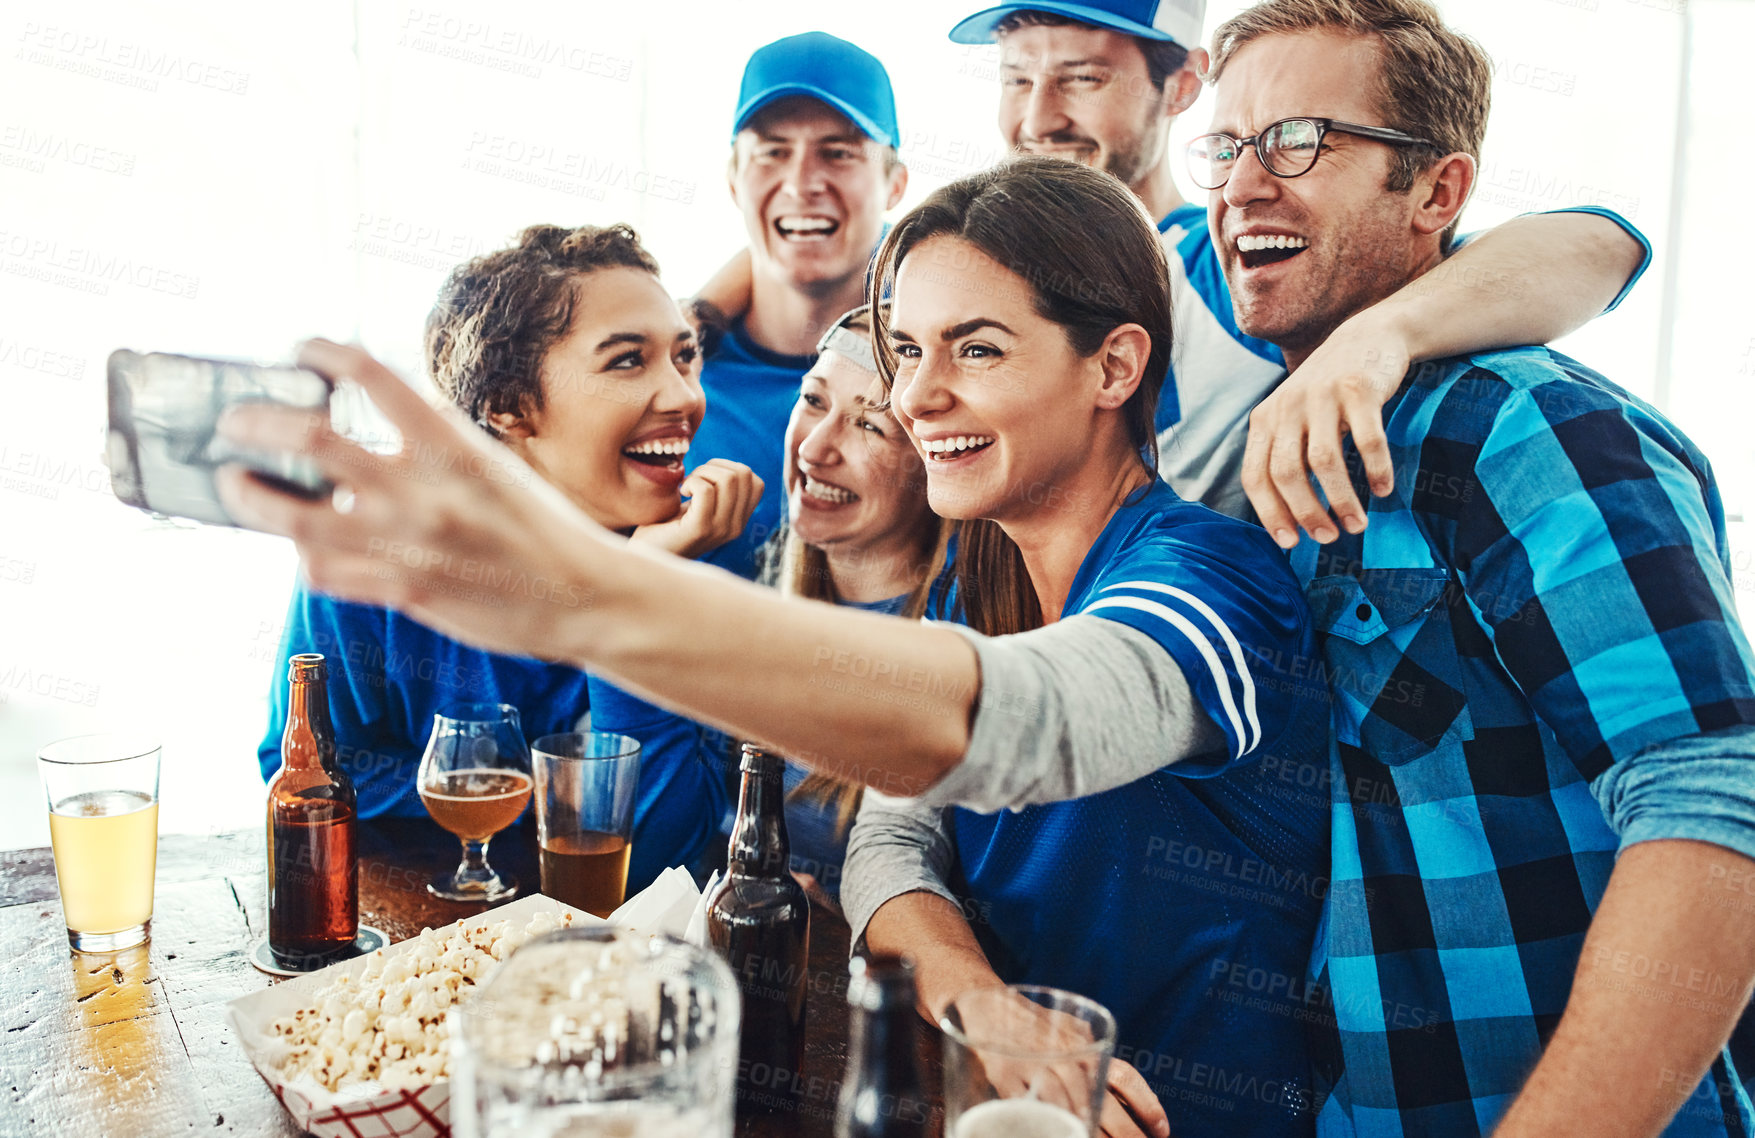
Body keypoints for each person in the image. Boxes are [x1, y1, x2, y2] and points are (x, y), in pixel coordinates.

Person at [217, 158, 1333, 1136]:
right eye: (908, 349)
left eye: (977, 348)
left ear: (1114, 367)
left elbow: (1026, 724)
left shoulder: (1212, 580)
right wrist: (975, 996)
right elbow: (894, 848)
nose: (922, 393)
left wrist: (586, 594)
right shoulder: (983, 590)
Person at [1187, 1, 1755, 1133]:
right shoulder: (1282, 444)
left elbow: (1717, 794)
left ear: (1438, 194)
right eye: (1228, 146)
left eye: (1301, 139)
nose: (1246, 183)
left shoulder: (1524, 430)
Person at [949, 0, 1651, 526]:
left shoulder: (1236, 267)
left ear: (1181, 87)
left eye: (1083, 77)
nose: (1037, 119)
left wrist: (1379, 334)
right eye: (1014, 79)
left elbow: (1595, 245)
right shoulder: (958, 273)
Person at [256, 223, 760, 890]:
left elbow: (663, 861)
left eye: (684, 357)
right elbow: (308, 768)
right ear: (506, 407)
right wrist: (523, 794)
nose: (685, 398)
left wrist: (640, 590)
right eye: (627, 361)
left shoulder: (700, 550)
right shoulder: (383, 550)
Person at [687, 31, 908, 581]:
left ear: (896, 184)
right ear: (734, 180)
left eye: (838, 153)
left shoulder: (938, 378)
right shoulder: (671, 383)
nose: (803, 183)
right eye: (773, 152)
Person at [763, 303, 954, 911]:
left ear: (934, 464)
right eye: (814, 400)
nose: (816, 449)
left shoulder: (953, 650)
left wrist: (844, 920)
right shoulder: (753, 603)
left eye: (870, 426)